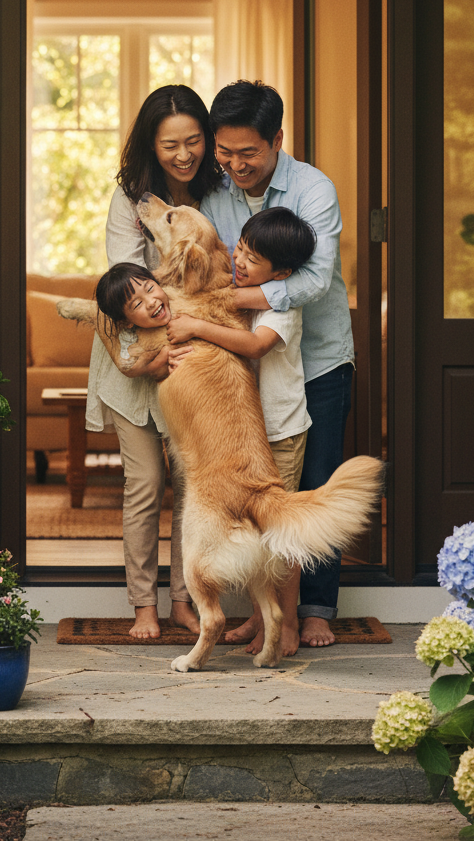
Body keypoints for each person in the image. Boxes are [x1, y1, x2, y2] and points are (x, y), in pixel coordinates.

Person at [200, 80, 355, 650]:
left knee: (315, 483)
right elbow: (214, 262)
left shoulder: (313, 189)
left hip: (317, 358)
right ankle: (261, 611)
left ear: (277, 141)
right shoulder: (213, 190)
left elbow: (312, 280)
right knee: (263, 490)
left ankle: (315, 609)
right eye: (226, 152)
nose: (235, 165)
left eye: (248, 153)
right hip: (252, 371)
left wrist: (228, 303)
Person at [85, 84, 222, 640]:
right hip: (134, 357)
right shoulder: (130, 198)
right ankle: (144, 605)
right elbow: (124, 286)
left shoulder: (219, 192)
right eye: (171, 145)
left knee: (192, 487)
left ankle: (186, 600)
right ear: (151, 144)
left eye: (193, 141)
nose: (184, 154)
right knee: (145, 486)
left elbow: (221, 269)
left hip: (191, 358)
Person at [165, 206, 316, 657]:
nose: (241, 262)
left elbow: (254, 345)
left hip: (283, 428)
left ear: (283, 272)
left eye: (253, 259)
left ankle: (287, 625)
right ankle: (260, 618)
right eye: (241, 250)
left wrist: (195, 325)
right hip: (248, 434)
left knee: (277, 533)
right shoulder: (241, 290)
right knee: (251, 528)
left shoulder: (281, 303)